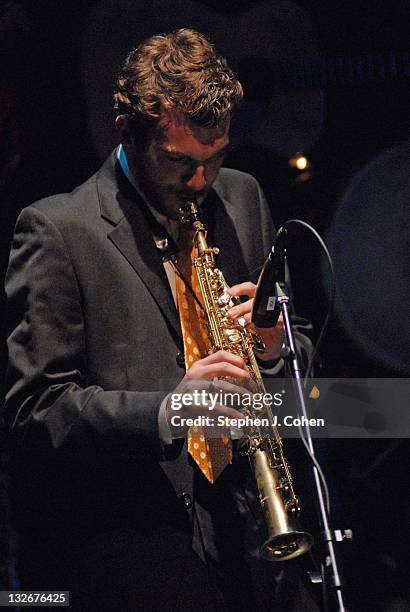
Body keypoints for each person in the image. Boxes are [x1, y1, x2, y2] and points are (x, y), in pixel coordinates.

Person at [3, 28, 316, 610]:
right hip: (140, 552)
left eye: (215, 158)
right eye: (179, 162)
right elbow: (34, 413)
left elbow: (297, 356)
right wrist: (170, 409)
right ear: (126, 132)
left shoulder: (243, 197)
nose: (201, 183)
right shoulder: (57, 230)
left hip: (255, 538)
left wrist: (275, 347)